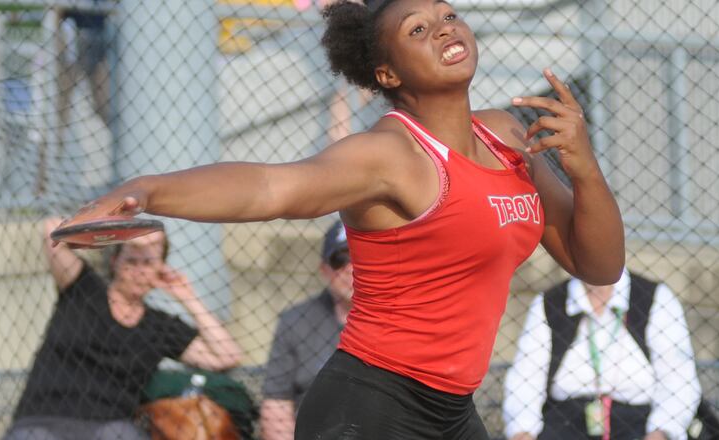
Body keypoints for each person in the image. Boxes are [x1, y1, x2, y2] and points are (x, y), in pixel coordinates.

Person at [56, 0, 626, 436]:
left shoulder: (505, 134)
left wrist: (586, 169)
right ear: (386, 74)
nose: (445, 28)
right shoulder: (391, 155)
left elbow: (596, 263)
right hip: (370, 405)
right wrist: (148, 189)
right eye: (418, 31)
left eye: (447, 15)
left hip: (452, 409)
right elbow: (270, 187)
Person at [4, 218, 243, 440]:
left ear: (160, 269)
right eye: (131, 260)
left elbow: (227, 355)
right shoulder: (85, 290)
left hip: (110, 427)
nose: (139, 270)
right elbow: (51, 231)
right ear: (114, 261)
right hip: (45, 420)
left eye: (148, 262)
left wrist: (187, 295)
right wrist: (119, 230)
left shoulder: (159, 326)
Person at [502, 268, 701, 440]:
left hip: (639, 423)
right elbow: (525, 378)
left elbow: (679, 380)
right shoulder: (549, 302)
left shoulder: (655, 297)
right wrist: (523, 431)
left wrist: (661, 433)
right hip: (564, 422)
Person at [260, 220, 354, 440]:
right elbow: (276, 405)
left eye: (360, 256)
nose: (351, 267)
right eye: (340, 259)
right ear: (324, 269)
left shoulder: (400, 320)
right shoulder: (295, 321)